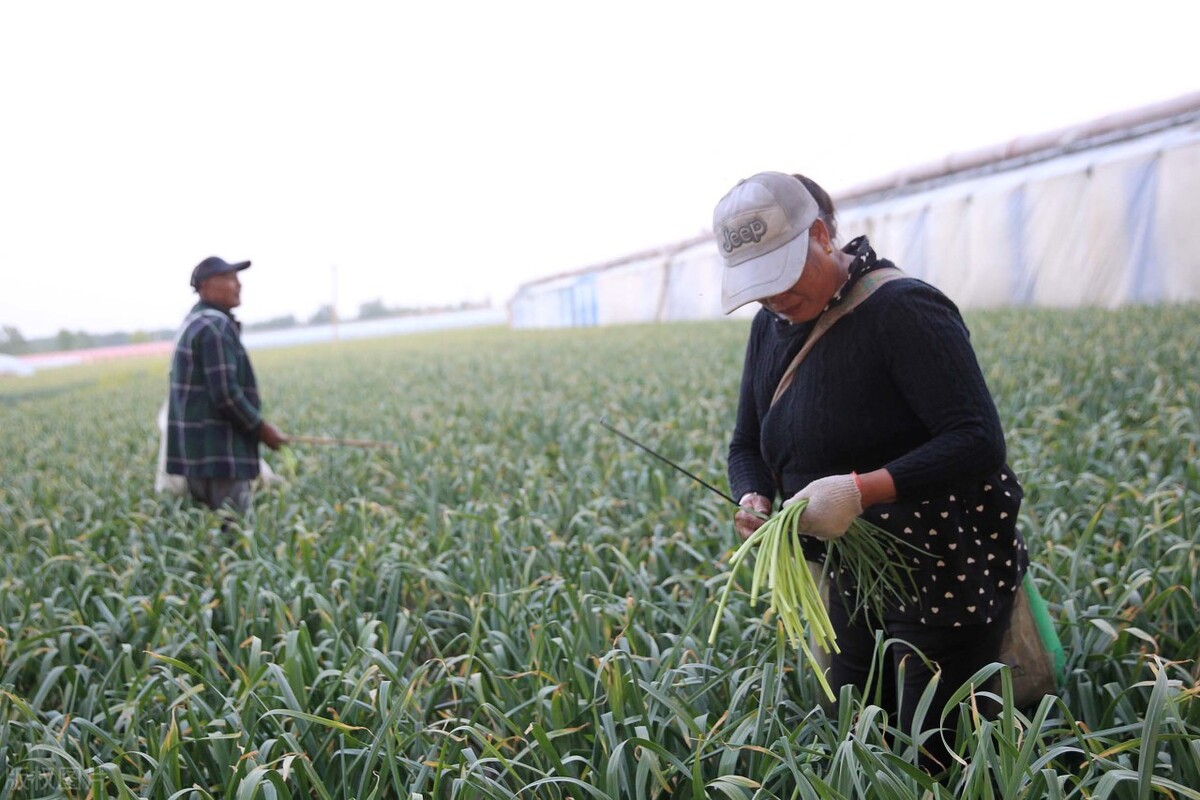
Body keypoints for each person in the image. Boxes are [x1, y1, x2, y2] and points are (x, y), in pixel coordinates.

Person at [716, 171, 1028, 773]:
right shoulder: (771, 327)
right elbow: (745, 444)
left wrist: (861, 490)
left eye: (782, 271)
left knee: (941, 754)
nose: (773, 296)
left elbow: (977, 440)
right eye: (758, 284)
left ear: (823, 234)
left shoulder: (902, 309)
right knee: (861, 733)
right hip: (853, 570)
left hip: (942, 569)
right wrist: (752, 496)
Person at [165, 256, 288, 514]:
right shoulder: (215, 326)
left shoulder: (195, 322)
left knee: (217, 543)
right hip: (220, 457)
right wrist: (262, 429)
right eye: (230, 278)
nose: (238, 285)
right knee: (237, 537)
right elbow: (225, 394)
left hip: (199, 457)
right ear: (207, 286)